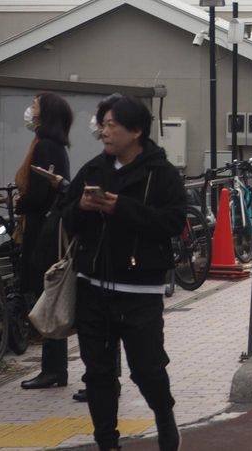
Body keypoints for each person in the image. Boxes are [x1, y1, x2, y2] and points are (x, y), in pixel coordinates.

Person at [64, 96, 186, 451]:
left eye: (112, 124)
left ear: (135, 131)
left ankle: (164, 416)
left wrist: (122, 207)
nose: (104, 131)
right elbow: (66, 220)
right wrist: (82, 207)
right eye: (102, 124)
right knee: (98, 373)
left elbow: (174, 222)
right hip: (93, 288)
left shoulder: (160, 173)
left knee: (146, 368)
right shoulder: (92, 171)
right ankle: (106, 442)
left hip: (140, 291)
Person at [17, 92, 74, 390]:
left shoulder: (45, 147)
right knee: (48, 293)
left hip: (44, 230)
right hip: (50, 227)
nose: (30, 111)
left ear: (45, 114)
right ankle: (54, 368)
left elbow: (41, 193)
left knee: (47, 294)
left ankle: (53, 369)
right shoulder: (57, 146)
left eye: (35, 106)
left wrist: (21, 204)